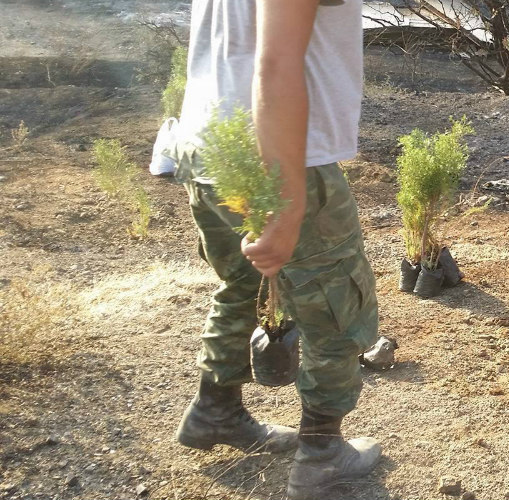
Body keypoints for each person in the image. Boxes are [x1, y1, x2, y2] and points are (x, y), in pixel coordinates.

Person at [168, 1, 380, 498]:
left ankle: (215, 410)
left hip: (208, 143)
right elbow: (276, 61)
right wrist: (287, 200)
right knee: (337, 306)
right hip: (280, 154)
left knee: (242, 285)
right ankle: (323, 453)